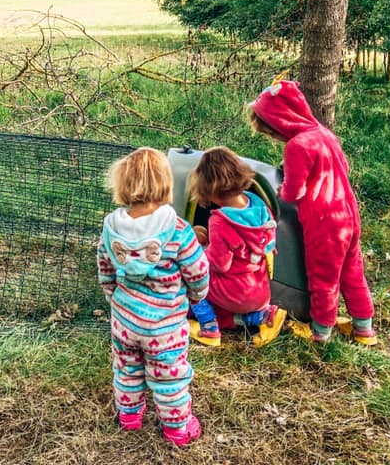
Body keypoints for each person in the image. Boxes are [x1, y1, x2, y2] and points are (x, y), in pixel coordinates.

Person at [249, 80, 377, 345]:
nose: (274, 136)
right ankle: (364, 329)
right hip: (347, 214)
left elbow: (293, 193)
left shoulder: (297, 145)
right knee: (352, 270)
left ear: (280, 121)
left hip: (324, 222)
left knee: (323, 277)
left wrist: (280, 192)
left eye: (271, 131)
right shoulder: (323, 134)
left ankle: (320, 332)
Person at [99, 147, 208, 447]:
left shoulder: (112, 227)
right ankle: (178, 428)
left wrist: (115, 299)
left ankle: (129, 416)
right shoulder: (177, 229)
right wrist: (197, 297)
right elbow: (198, 271)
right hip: (165, 327)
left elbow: (105, 268)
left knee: (127, 368)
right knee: (169, 377)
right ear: (166, 183)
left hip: (124, 320)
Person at [187, 146, 287, 347]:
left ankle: (209, 327)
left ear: (211, 189)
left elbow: (218, 264)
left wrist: (198, 250)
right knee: (225, 291)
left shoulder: (220, 221)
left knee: (191, 279)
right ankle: (259, 317)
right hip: (259, 292)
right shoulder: (259, 205)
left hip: (234, 294)